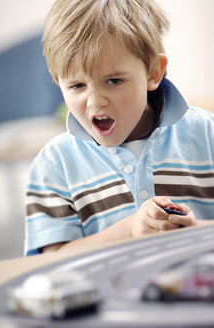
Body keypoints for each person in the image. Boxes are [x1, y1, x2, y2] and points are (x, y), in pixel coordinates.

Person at [25, 0, 214, 256]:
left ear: (153, 73)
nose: (95, 101)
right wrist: (130, 230)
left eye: (114, 80)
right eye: (77, 86)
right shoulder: (55, 164)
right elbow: (50, 260)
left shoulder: (206, 133)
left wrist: (196, 231)